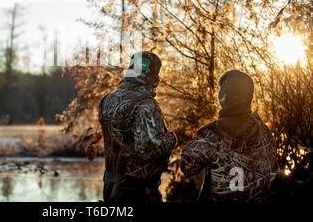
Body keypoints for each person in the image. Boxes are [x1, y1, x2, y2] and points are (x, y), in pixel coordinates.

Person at [180, 70, 279, 202]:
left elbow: (187, 166)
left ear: (224, 97)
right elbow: (272, 170)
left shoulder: (211, 134)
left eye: (222, 91)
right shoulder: (263, 130)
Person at [98, 51, 177, 203]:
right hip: (137, 191)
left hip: (110, 184)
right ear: (154, 77)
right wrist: (172, 138)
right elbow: (149, 149)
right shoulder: (146, 104)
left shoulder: (107, 100)